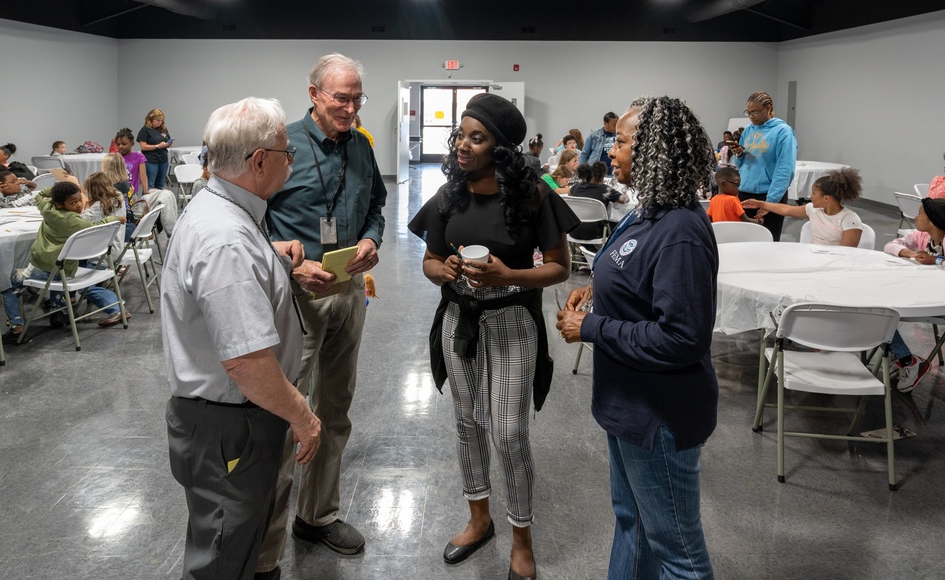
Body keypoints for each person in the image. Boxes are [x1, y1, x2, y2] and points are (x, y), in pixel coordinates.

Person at [409, 91, 579, 580]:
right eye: (460, 134)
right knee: (468, 424)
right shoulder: (449, 193)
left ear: (500, 147)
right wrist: (448, 269)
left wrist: (507, 277)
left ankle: (521, 540)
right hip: (458, 322)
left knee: (509, 431)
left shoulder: (534, 195)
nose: (462, 145)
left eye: (476, 137)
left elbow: (559, 268)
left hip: (511, 322)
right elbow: (429, 261)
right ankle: (479, 520)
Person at [556, 96, 718, 580]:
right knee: (634, 525)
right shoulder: (646, 212)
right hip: (629, 405)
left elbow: (682, 337)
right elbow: (634, 273)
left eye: (622, 142)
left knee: (678, 554)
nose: (611, 152)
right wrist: (597, 288)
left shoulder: (682, 229)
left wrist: (592, 327)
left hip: (659, 416)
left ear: (653, 150)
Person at [162, 96, 323, 580]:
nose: (289, 161)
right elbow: (247, 363)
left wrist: (273, 257)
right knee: (223, 561)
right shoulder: (227, 242)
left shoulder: (222, 211)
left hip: (227, 423)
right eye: (285, 154)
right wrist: (303, 416)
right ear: (258, 162)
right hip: (232, 426)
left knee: (236, 547)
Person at [257, 53, 387, 575]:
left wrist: (373, 239)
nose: (351, 108)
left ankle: (317, 515)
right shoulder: (278, 145)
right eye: (341, 98)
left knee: (334, 410)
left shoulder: (361, 145)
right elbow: (248, 225)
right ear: (313, 94)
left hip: (349, 292)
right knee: (289, 415)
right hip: (296, 299)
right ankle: (264, 548)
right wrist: (289, 264)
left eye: (358, 99)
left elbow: (376, 203)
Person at [883, 194, 945, 391]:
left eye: (920, 214)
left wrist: (937, 261)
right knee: (879, 305)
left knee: (882, 312)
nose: (916, 217)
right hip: (925, 293)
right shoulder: (924, 236)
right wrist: (910, 253)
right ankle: (903, 358)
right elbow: (890, 245)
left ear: (933, 221)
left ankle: (906, 360)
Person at [27, 181, 128, 329]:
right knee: (79, 281)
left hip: (66, 266)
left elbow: (39, 196)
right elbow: (95, 227)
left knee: (12, 283)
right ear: (60, 204)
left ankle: (55, 309)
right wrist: (115, 219)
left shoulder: (46, 208)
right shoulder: (75, 221)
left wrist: (55, 191)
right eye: (74, 202)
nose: (80, 205)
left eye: (80, 200)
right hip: (87, 259)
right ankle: (64, 306)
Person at [729, 91, 797, 241]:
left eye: (755, 112)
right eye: (748, 112)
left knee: (767, 242)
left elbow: (785, 170)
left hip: (769, 195)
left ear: (768, 108)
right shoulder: (748, 130)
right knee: (744, 241)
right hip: (745, 192)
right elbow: (741, 165)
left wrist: (770, 202)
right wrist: (738, 154)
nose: (751, 116)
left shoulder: (783, 132)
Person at [742, 167, 864, 246]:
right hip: (812, 257)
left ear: (826, 198)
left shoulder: (850, 219)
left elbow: (848, 252)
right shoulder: (813, 209)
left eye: (813, 193)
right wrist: (761, 204)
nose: (810, 197)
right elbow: (786, 209)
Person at [113, 130, 179, 237]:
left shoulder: (139, 157)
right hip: (117, 194)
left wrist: (146, 190)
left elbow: (143, 175)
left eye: (124, 144)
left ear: (132, 143)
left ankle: (138, 230)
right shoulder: (115, 157)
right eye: (118, 144)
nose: (120, 147)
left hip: (131, 194)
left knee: (131, 215)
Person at [81, 172, 126, 258]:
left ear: (93, 191)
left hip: (103, 253)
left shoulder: (98, 207)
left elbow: (79, 221)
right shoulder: (118, 196)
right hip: (117, 245)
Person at [137, 108, 174, 190]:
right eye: (157, 120)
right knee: (150, 185)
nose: (159, 122)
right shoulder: (145, 130)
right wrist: (157, 146)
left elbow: (166, 140)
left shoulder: (163, 129)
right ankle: (147, 202)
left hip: (163, 159)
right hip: (151, 160)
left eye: (161, 120)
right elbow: (143, 146)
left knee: (160, 185)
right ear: (151, 119)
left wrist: (168, 144)